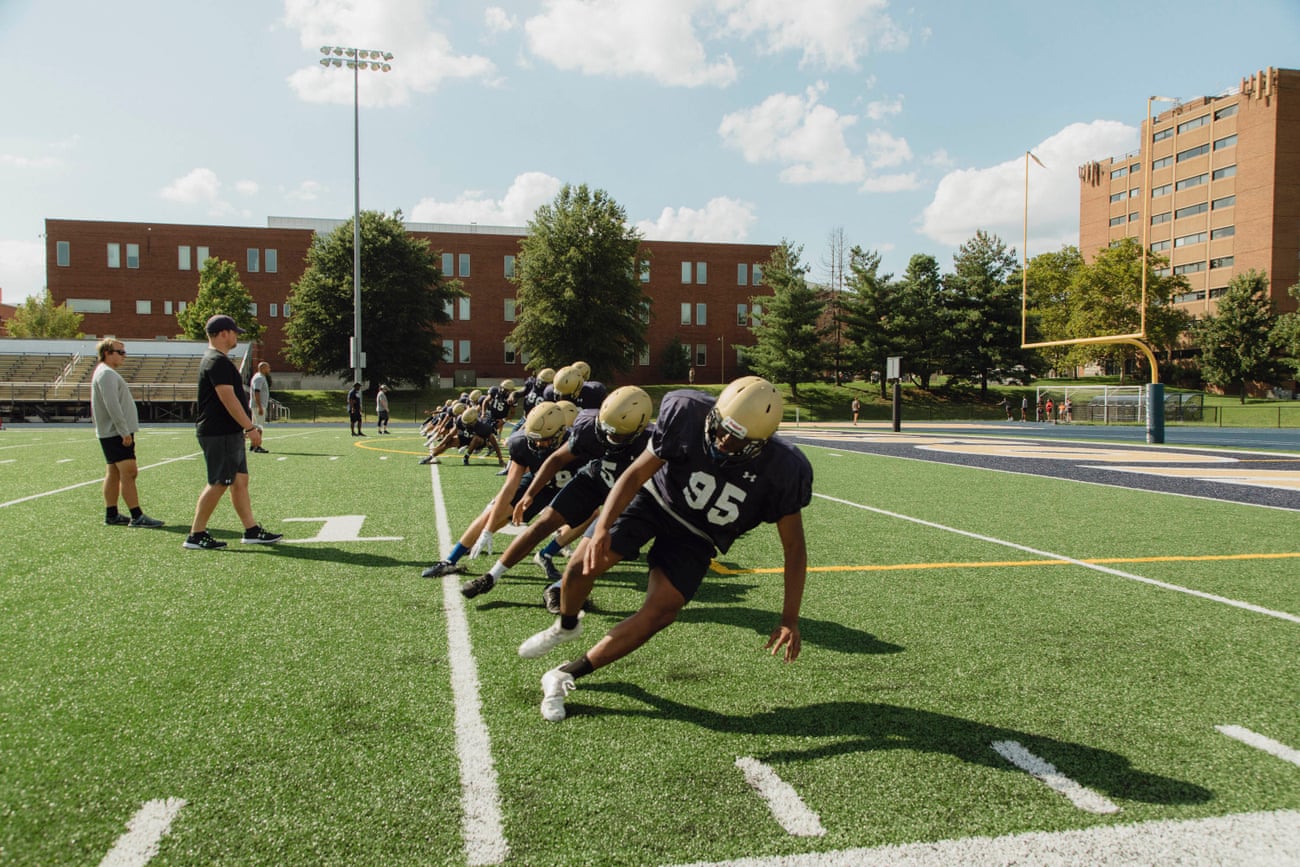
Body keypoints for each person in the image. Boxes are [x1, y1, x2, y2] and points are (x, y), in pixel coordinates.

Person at [518, 376, 812, 722]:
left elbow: (794, 548)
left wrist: (789, 618)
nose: (721, 441)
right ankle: (567, 625)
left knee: (662, 611)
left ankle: (564, 673)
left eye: (736, 441)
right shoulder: (687, 412)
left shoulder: (785, 470)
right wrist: (601, 530)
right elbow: (634, 474)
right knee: (582, 565)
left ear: (759, 444)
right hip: (653, 501)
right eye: (720, 429)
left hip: (698, 535)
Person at [463, 386, 656, 611]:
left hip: (628, 494)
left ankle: (557, 587)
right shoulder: (590, 427)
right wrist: (530, 493)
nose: (610, 437)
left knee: (599, 548)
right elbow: (556, 459)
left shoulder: (654, 442)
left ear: (639, 428)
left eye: (618, 434)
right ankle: (491, 576)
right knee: (543, 524)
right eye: (606, 429)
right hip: (593, 480)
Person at [421, 402, 571, 579]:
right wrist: (489, 530)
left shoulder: (578, 442)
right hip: (537, 484)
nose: (538, 444)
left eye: (544, 439)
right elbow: (509, 487)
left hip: (570, 486)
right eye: (534, 438)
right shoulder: (522, 442)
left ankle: (547, 553)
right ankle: (450, 561)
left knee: (590, 515)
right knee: (491, 515)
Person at [183, 315, 283, 550]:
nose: (237, 336)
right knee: (219, 481)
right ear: (223, 333)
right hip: (220, 432)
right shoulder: (217, 361)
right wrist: (249, 426)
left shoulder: (216, 360)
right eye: (234, 332)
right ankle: (196, 534)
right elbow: (227, 396)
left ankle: (251, 530)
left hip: (226, 431)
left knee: (240, 480)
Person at [90, 338, 163, 528]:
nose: (124, 356)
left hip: (112, 432)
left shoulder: (106, 373)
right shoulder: (106, 374)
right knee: (129, 472)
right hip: (115, 432)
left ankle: (112, 513)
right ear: (107, 353)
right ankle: (137, 516)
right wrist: (124, 430)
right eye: (120, 352)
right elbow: (112, 404)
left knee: (113, 472)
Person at [248, 361, 271, 453]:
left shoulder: (259, 377)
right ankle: (257, 446)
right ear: (262, 368)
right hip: (258, 405)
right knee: (259, 427)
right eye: (268, 367)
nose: (269, 369)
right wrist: (260, 406)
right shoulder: (259, 378)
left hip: (257, 405)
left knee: (255, 425)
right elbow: (256, 392)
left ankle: (253, 445)